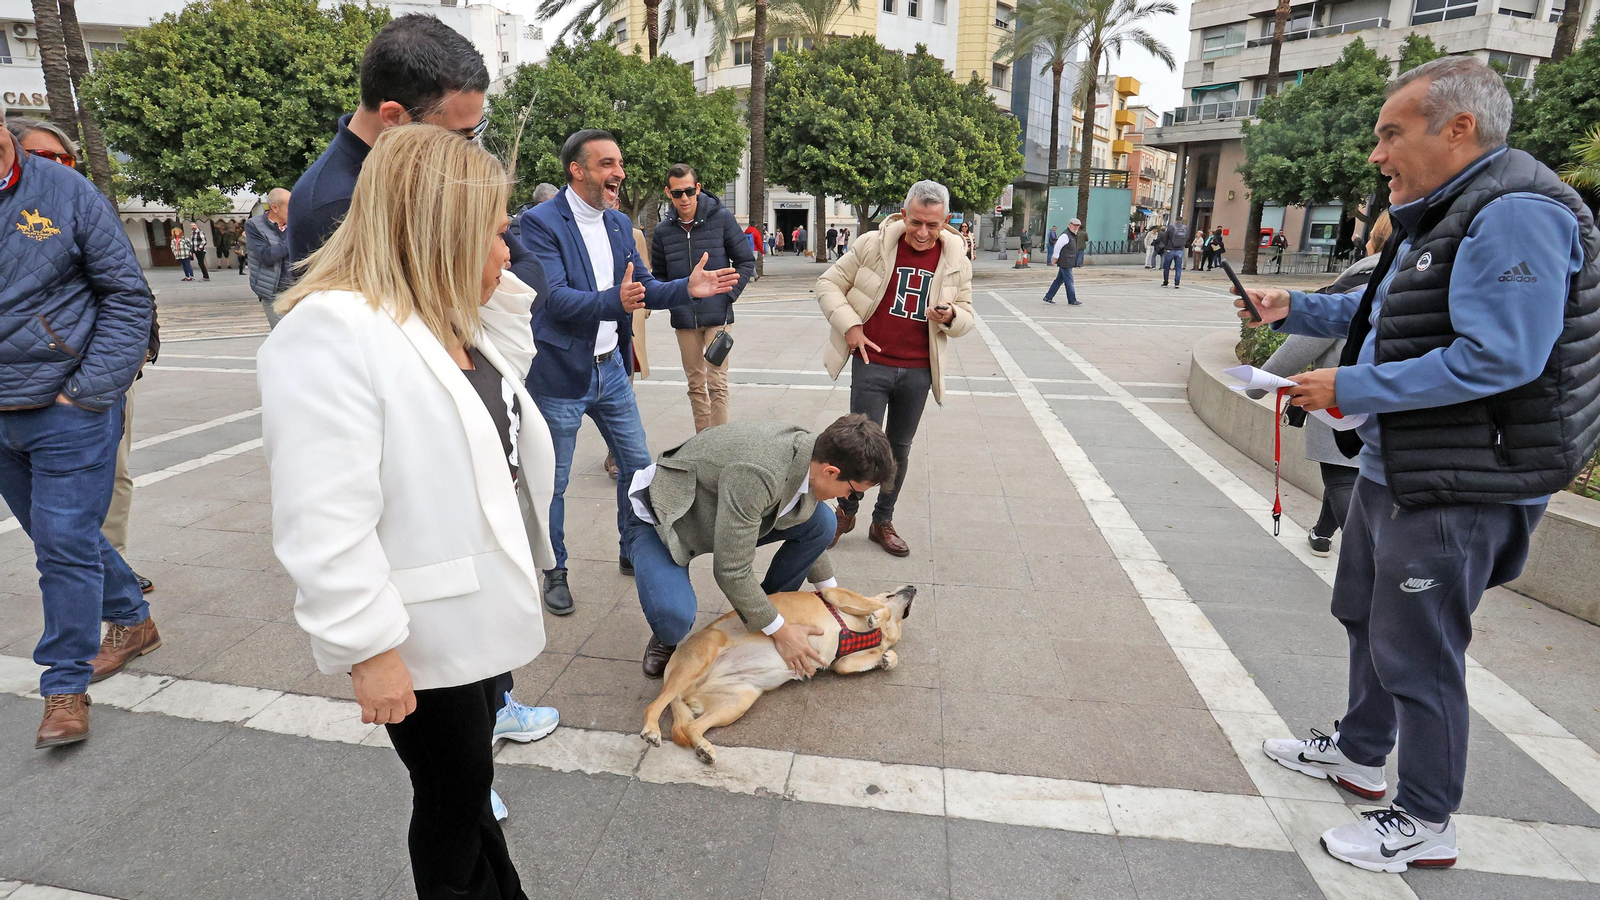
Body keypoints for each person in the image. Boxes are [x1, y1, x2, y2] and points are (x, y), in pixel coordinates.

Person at [1241, 57, 1598, 873]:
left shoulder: (1515, 214)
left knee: (1423, 648)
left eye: (1391, 133)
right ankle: (1362, 754)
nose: (1377, 153)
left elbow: (1502, 356)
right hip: (1398, 462)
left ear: (1458, 129)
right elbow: (1393, 314)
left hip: (1461, 477)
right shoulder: (1442, 210)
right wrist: (1295, 306)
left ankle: (1428, 819)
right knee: (1367, 613)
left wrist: (1351, 383)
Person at [261, 125, 558, 900]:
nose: (509, 255)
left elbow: (509, 382)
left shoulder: (441, 318)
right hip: (417, 632)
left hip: (472, 615)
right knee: (453, 797)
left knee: (469, 786)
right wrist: (368, 648)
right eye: (495, 235)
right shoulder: (333, 330)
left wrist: (475, 281)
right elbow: (321, 515)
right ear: (443, 231)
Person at [517, 129, 739, 617]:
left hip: (611, 369)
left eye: (619, 164)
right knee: (552, 481)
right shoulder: (538, 224)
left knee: (638, 467)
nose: (618, 173)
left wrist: (688, 288)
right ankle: (555, 569)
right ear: (576, 170)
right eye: (606, 164)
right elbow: (551, 299)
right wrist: (611, 301)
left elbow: (646, 288)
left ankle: (631, 546)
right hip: (559, 376)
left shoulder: (618, 225)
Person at [0, 108, 157, 750]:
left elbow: (126, 294)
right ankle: (131, 617)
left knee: (61, 544)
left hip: (67, 405)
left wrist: (87, 390)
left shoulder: (64, 190)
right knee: (58, 533)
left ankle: (63, 686)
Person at [8, 116, 163, 597]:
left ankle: (112, 578)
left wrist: (95, 385)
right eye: (44, 156)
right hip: (22, 392)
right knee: (53, 519)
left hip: (93, 376)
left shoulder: (77, 199)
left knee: (110, 478)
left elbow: (127, 289)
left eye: (64, 158)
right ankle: (111, 587)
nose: (57, 166)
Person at [627, 415, 896, 678]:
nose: (850, 499)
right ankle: (665, 632)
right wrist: (783, 632)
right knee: (674, 618)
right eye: (854, 492)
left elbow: (809, 524)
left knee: (823, 522)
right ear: (831, 472)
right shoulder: (760, 473)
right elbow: (731, 570)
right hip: (667, 518)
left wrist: (834, 597)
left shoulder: (814, 455)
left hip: (724, 508)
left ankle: (764, 610)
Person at [817, 180, 975, 556]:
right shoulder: (872, 244)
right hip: (872, 363)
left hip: (919, 369)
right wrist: (851, 327)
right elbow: (827, 284)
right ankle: (846, 511)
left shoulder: (956, 258)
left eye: (932, 225)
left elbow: (968, 317)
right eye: (916, 222)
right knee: (859, 448)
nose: (923, 233)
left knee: (899, 450)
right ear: (904, 214)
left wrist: (952, 315)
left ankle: (882, 520)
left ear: (946, 221)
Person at [289, 14, 493, 263]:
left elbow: (529, 267)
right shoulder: (335, 206)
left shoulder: (421, 170)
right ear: (394, 117)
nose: (468, 148)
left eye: (475, 132)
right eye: (457, 135)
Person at [1247, 211, 1393, 557]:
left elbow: (1307, 341)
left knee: (1342, 476)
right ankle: (1322, 532)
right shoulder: (1412, 278)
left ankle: (1371, 557)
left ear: (1372, 241)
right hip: (1391, 400)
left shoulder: (1357, 284)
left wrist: (1256, 384)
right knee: (1352, 474)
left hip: (1339, 402)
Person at [651, 163, 757, 433]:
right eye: (677, 193)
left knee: (717, 383)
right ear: (668, 193)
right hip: (684, 319)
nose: (684, 198)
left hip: (717, 317)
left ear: (697, 188)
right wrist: (673, 298)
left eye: (688, 191)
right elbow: (659, 277)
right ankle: (704, 442)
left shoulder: (721, 219)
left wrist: (728, 295)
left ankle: (719, 445)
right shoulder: (663, 231)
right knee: (696, 385)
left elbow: (746, 260)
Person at [246, 189, 294, 328]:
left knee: (301, 338)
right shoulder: (254, 225)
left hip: (298, 291)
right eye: (290, 206)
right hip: (274, 292)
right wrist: (293, 238)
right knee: (282, 337)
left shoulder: (295, 224)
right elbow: (267, 256)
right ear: (274, 208)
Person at [1044, 217, 1083, 306]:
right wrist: (1055, 258)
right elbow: (1058, 247)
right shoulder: (1065, 235)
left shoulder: (1073, 235)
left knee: (1059, 280)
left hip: (1068, 261)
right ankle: (1072, 300)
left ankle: (1048, 297)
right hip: (1065, 261)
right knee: (1069, 281)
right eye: (1074, 225)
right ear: (1070, 225)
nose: (1076, 227)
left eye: (1078, 226)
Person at [1159, 218, 1188, 288]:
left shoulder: (1171, 228)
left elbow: (1165, 238)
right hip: (1180, 250)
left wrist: (1166, 247)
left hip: (1170, 249)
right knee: (1178, 267)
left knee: (1167, 267)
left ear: (1176, 220)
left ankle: (1166, 282)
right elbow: (1187, 238)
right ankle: (1177, 283)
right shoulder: (1186, 228)